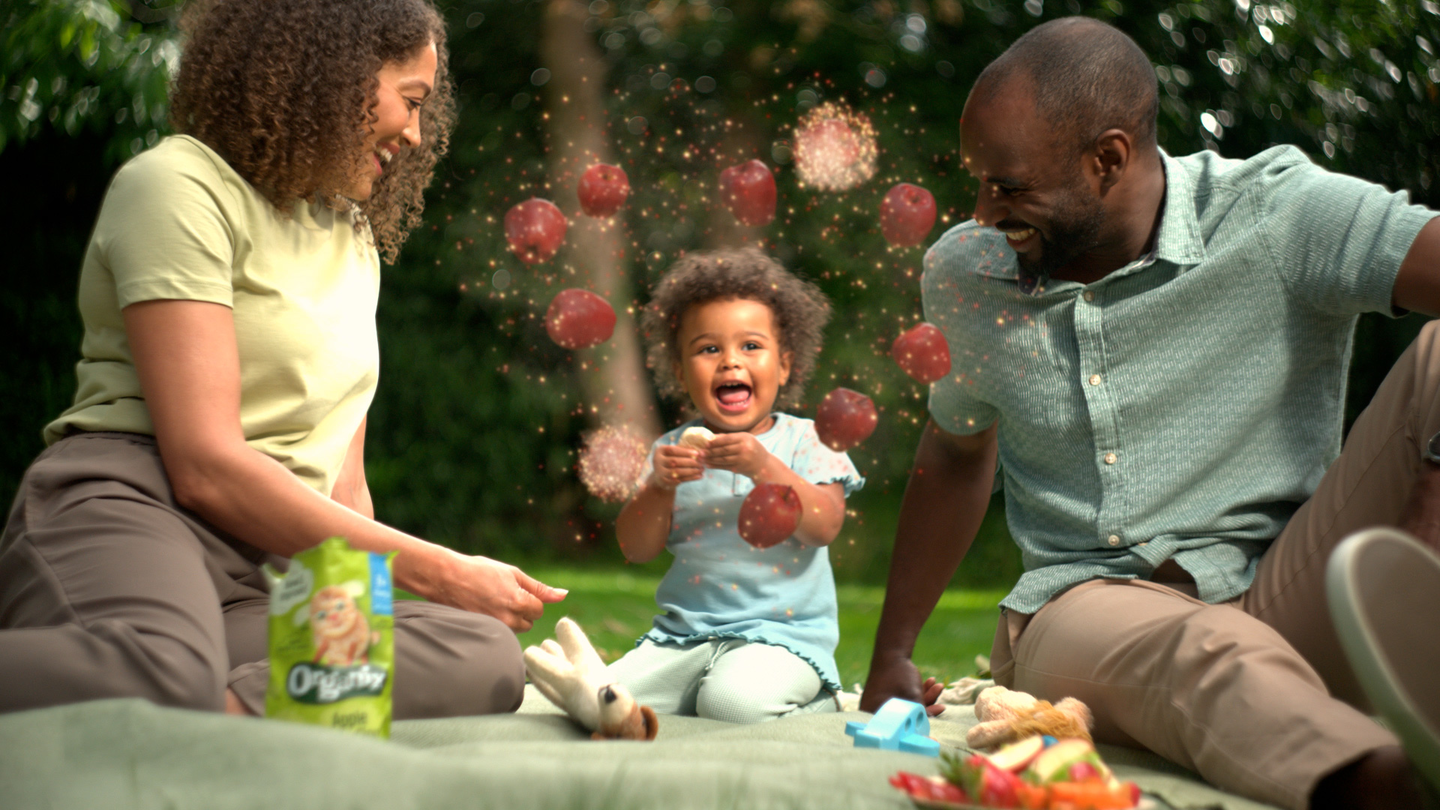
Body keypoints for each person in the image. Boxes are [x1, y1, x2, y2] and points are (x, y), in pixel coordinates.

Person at [859, 16, 1440, 810]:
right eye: (980, 182)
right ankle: (1392, 785)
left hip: (1284, 585)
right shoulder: (967, 276)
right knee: (1204, 649)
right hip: (1085, 611)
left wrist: (1423, 527)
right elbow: (958, 451)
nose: (984, 213)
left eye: (1011, 185)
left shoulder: (1277, 213)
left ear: (1108, 159)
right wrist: (893, 649)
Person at [0, 0, 565, 719]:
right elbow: (203, 466)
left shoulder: (352, 238)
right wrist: (437, 568)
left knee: (480, 653)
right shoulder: (178, 185)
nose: (419, 134)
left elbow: (342, 488)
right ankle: (186, 693)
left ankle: (213, 713)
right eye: (411, 101)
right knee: (165, 666)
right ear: (333, 72)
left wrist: (360, 606)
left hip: (264, 562)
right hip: (136, 505)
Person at [608, 248, 864, 723]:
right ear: (682, 373)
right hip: (682, 637)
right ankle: (697, 692)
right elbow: (635, 548)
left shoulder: (808, 441)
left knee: (730, 705)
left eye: (750, 346)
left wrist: (763, 467)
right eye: (709, 349)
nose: (730, 362)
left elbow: (824, 526)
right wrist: (660, 487)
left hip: (784, 641)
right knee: (605, 700)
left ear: (784, 365)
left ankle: (819, 702)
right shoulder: (671, 450)